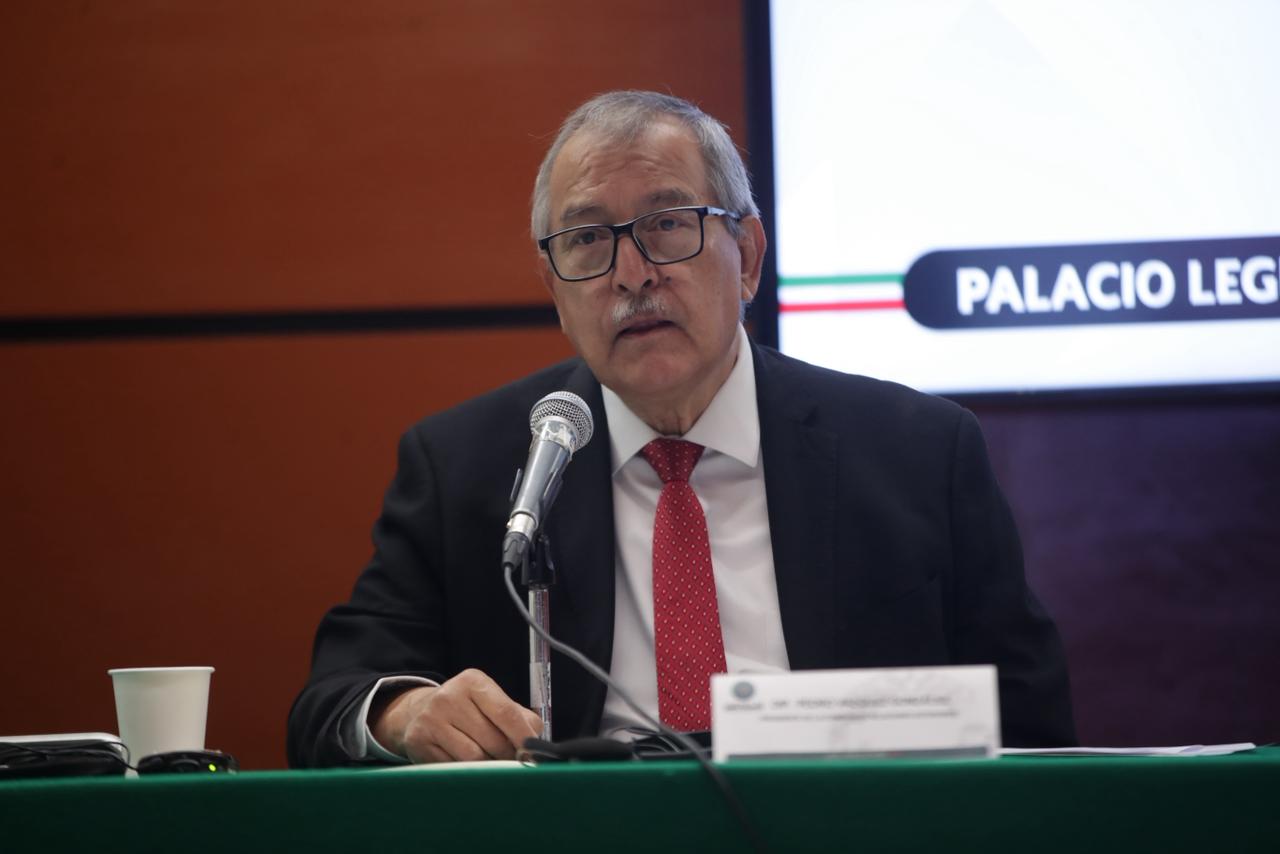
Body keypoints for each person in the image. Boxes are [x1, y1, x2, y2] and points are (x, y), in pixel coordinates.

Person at [287, 91, 1076, 767]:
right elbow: (331, 702)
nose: (632, 274)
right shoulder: (469, 465)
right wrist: (402, 713)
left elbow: (1033, 730)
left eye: (668, 224)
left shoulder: (917, 452)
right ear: (557, 293)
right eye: (588, 240)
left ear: (749, 257)